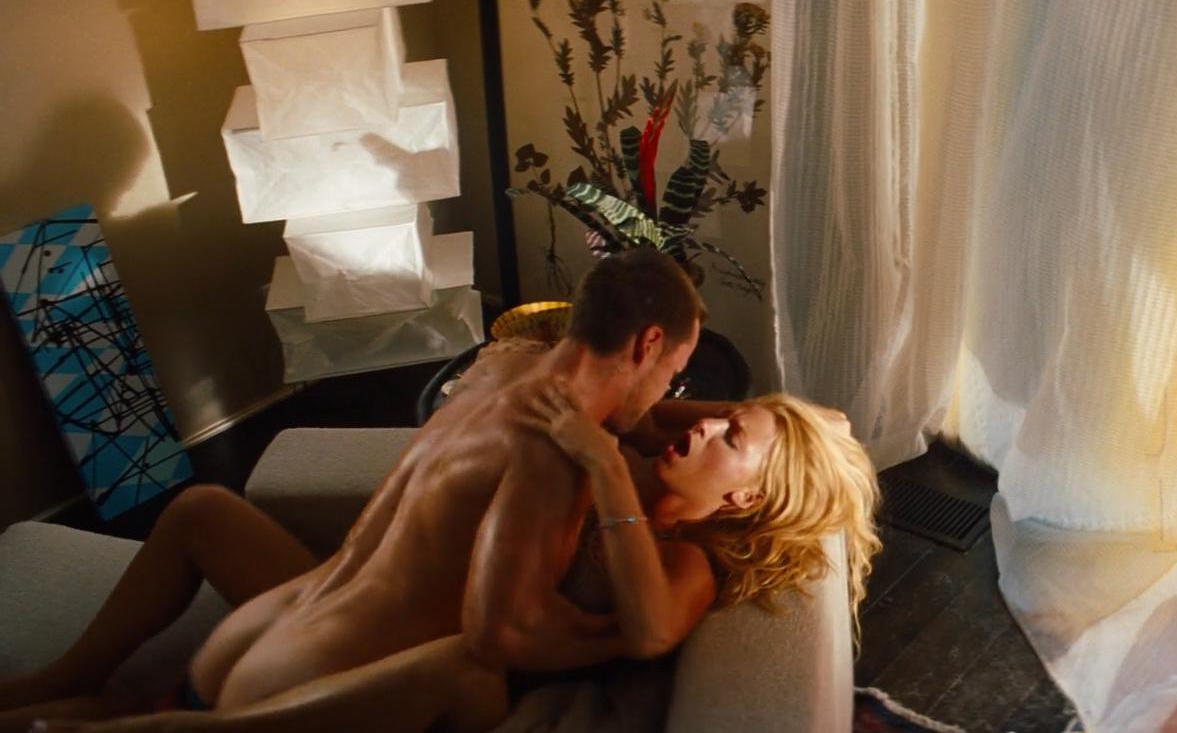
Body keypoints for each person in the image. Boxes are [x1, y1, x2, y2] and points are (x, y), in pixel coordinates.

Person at [0, 248, 706, 729]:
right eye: (673, 373)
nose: (667, 393)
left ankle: (68, 681)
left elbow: (638, 415)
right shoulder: (559, 453)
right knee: (470, 672)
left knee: (201, 507)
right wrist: (615, 637)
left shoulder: (505, 364)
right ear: (646, 344)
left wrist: (756, 416)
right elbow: (506, 633)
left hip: (267, 631)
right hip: (287, 692)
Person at [35, 384, 880, 733]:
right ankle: (71, 677)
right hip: (400, 607)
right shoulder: (657, 460)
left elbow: (655, 631)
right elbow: (810, 421)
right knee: (203, 510)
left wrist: (602, 468)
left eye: (729, 438)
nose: (705, 426)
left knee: (456, 664)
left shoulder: (689, 557)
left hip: (460, 676)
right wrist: (768, 421)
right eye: (723, 418)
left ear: (741, 500)